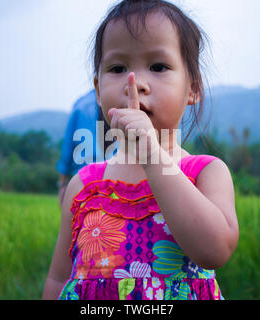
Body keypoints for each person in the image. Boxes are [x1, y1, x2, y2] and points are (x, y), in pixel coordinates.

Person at [43, 0, 238, 300]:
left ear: (193, 88)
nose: (136, 83)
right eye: (118, 68)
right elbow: (59, 278)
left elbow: (215, 250)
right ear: (97, 90)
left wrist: (152, 156)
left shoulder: (205, 173)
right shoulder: (83, 185)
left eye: (158, 66)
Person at [56, 90, 114, 207]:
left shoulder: (81, 105)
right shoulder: (121, 101)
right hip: (116, 184)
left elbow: (67, 151)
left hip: (83, 183)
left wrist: (62, 185)